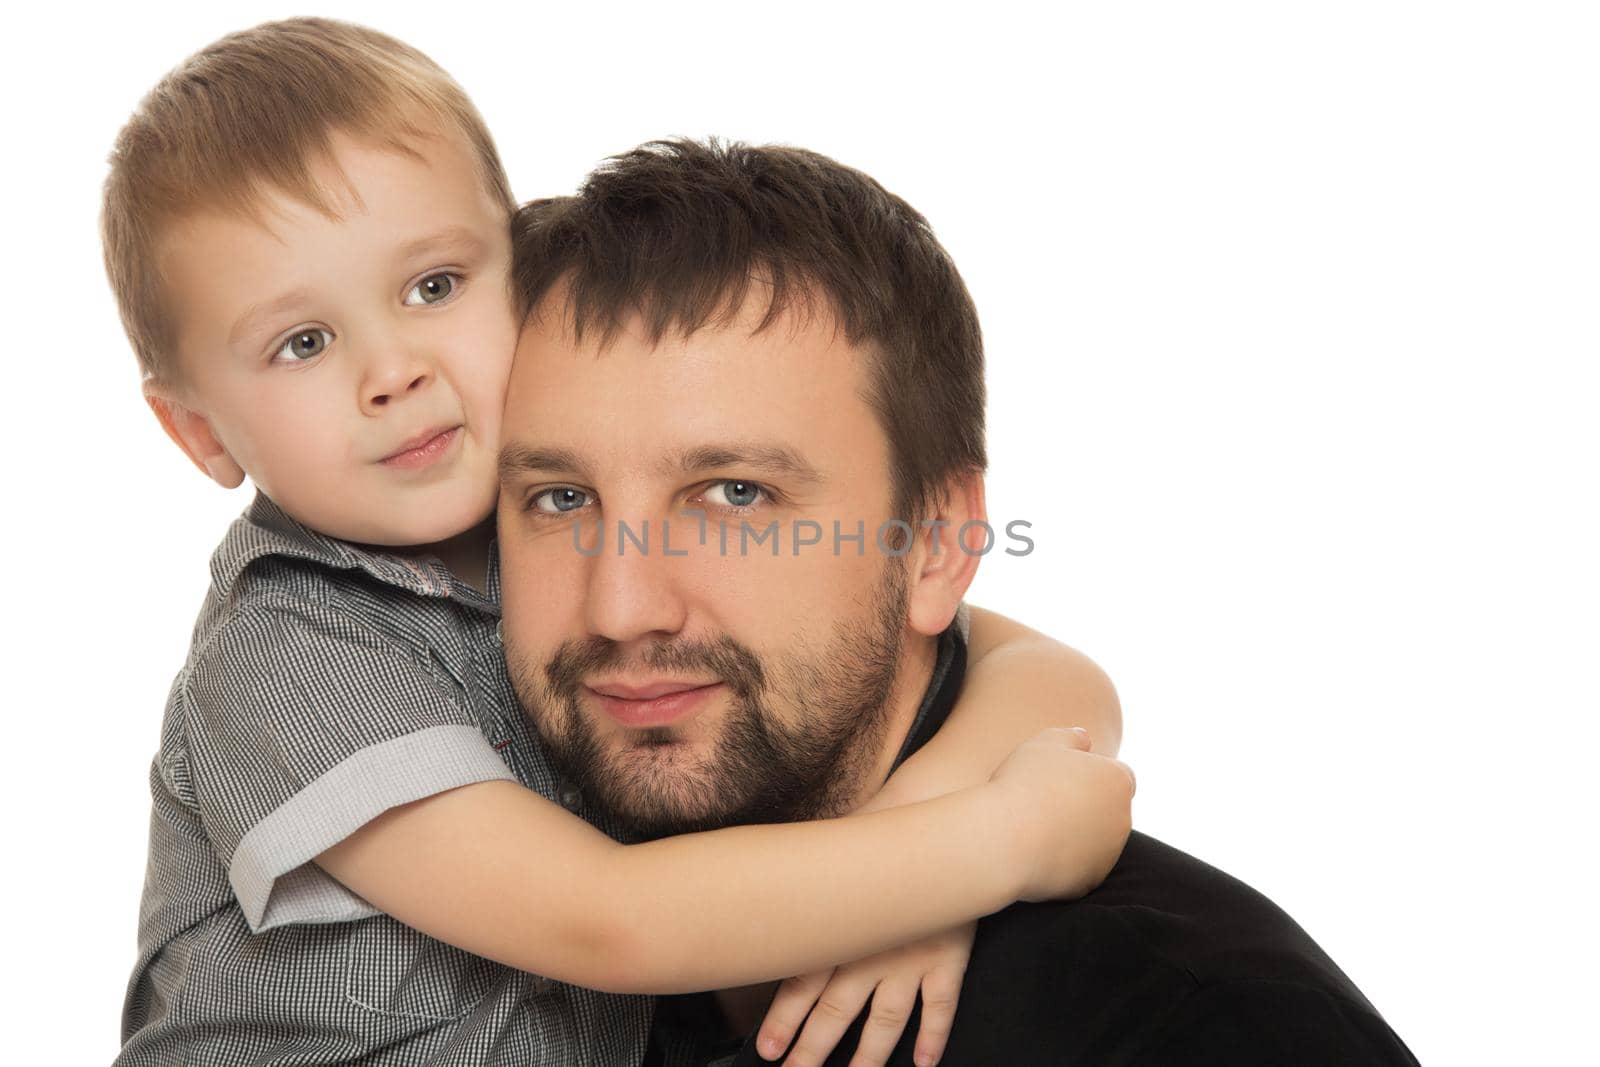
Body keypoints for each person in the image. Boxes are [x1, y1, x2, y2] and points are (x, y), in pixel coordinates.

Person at [105, 18, 1138, 1066]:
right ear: (198, 430)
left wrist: (923, 815)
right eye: (303, 342)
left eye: (434, 285)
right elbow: (610, 921)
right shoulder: (291, 653)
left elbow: (1033, 664)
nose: (393, 369)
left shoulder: (558, 547)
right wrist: (988, 848)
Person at [498, 138, 1422, 1066]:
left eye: (736, 494)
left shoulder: (1198, 1026)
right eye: (560, 498)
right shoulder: (460, 943)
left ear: (938, 541)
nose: (619, 608)